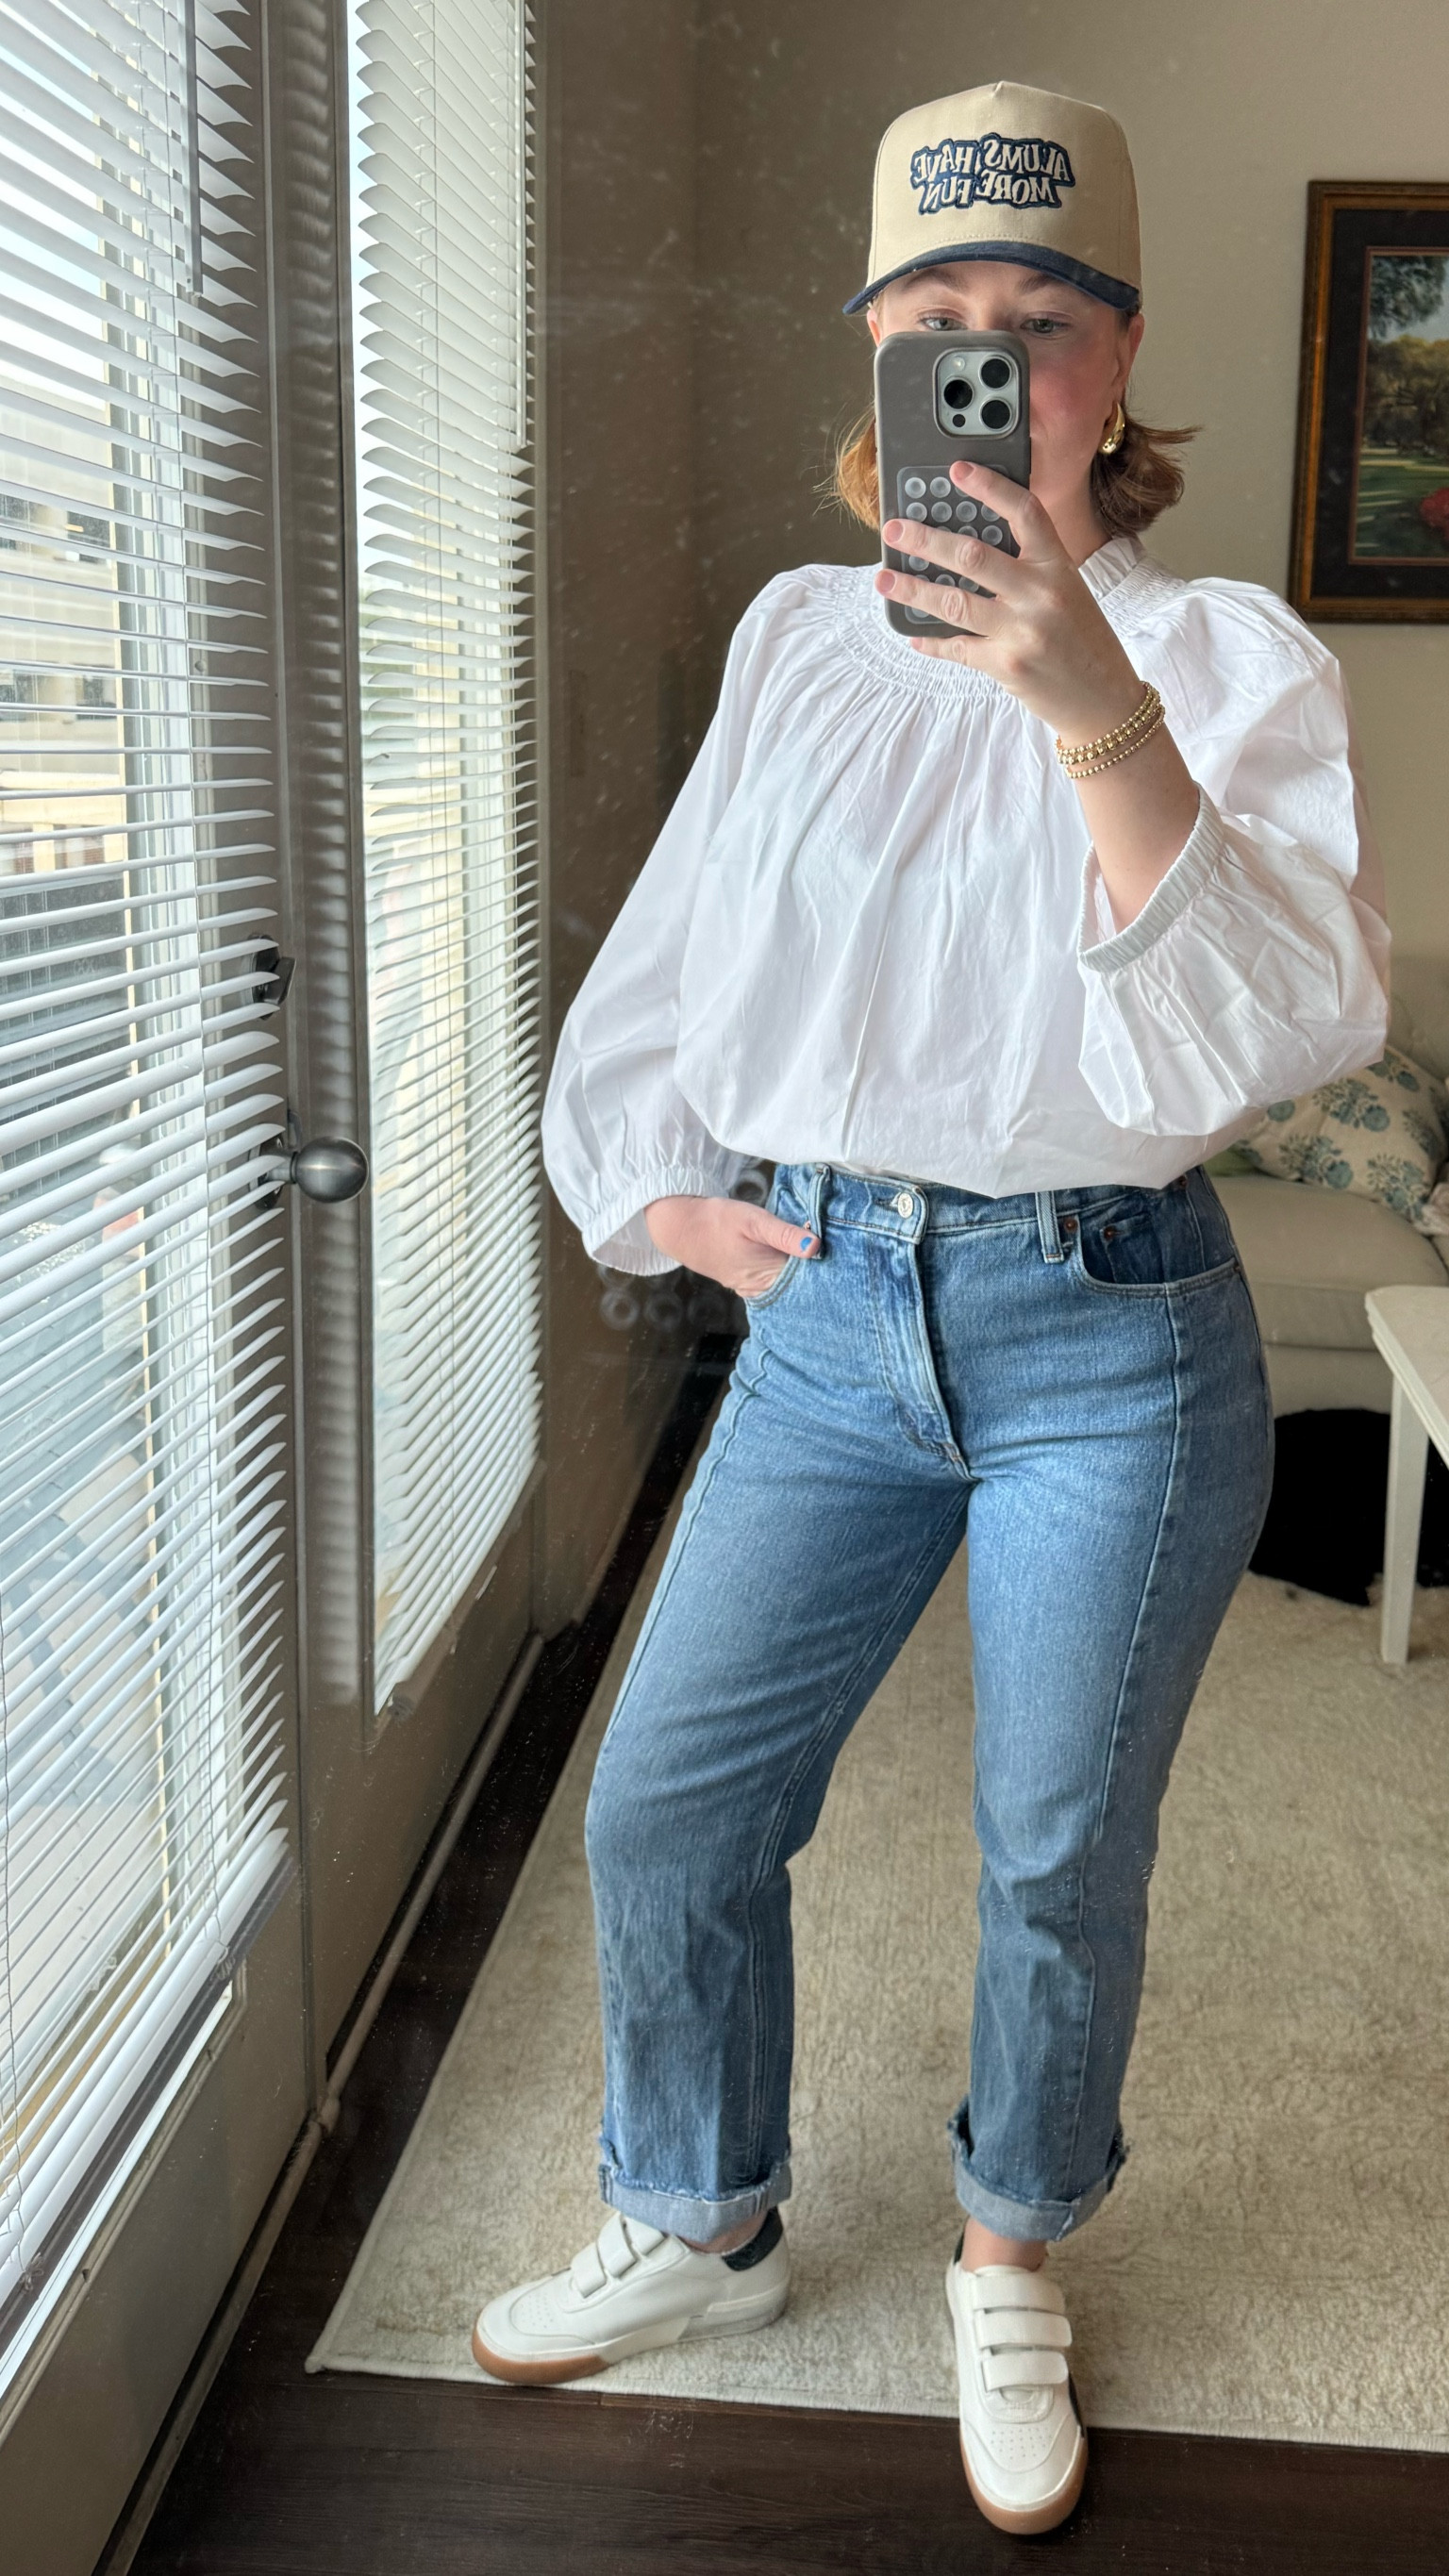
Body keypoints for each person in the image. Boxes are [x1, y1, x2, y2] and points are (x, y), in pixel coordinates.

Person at [474, 81, 1389, 2535]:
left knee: (1054, 1842)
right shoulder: (800, 639)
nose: (991, 360)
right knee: (671, 1793)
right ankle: (702, 2214)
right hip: (829, 1313)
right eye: (935, 317)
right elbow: (690, 934)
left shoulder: (1221, 656)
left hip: (1114, 1325)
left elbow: (1275, 1032)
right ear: (879, 351)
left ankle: (1010, 2248)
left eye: (1042, 320)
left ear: (1121, 359)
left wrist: (1089, 698)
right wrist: (653, 1184)